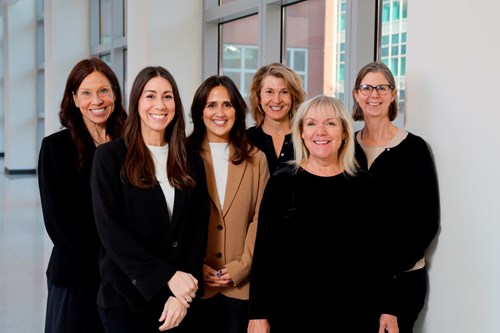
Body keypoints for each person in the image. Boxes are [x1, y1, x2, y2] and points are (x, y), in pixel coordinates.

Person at [248, 95, 399, 333]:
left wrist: (388, 308)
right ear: (301, 134)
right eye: (311, 124)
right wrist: (258, 313)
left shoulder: (364, 185)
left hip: (356, 312)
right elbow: (265, 253)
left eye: (330, 123)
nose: (321, 131)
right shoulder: (282, 183)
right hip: (292, 313)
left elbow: (380, 254)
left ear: (344, 133)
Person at [90, 66, 210, 332]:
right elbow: (111, 231)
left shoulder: (191, 160)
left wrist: (182, 292)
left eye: (167, 96)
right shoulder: (109, 158)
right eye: (150, 96)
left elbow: (198, 228)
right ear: (136, 102)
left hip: (178, 302)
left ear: (176, 104)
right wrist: (167, 278)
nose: (160, 104)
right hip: (126, 299)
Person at [38, 57, 127, 332]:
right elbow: (59, 225)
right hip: (78, 276)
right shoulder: (55, 148)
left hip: (126, 277)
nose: (96, 100)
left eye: (103, 91)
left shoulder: (132, 144)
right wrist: (109, 262)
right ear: (74, 99)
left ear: (114, 93)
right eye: (86, 93)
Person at [352, 61, 440, 333]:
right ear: (356, 95)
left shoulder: (414, 149)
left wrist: (387, 277)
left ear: (393, 95)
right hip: (355, 283)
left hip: (401, 282)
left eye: (381, 87)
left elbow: (426, 222)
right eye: (366, 88)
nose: (373, 95)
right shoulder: (344, 148)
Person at [186, 75, 270, 333]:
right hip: (193, 286)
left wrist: (241, 267)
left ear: (237, 110)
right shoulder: (182, 156)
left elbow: (262, 218)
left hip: (241, 288)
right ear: (200, 111)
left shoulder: (256, 159)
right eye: (211, 105)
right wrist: (195, 264)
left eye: (227, 104)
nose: (219, 113)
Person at [247, 62, 306, 174]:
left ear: (293, 97)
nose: (277, 100)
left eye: (284, 92)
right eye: (269, 92)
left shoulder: (307, 138)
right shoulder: (245, 140)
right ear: (258, 97)